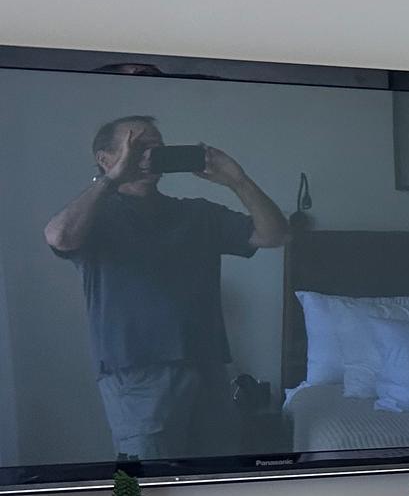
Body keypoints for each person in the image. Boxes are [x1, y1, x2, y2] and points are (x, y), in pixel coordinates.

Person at [43, 115, 287, 460]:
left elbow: (275, 235)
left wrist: (237, 180)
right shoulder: (96, 217)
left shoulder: (197, 214)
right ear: (105, 157)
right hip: (136, 374)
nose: (148, 155)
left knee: (217, 481)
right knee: (151, 488)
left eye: (156, 147)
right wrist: (111, 180)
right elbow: (59, 237)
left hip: (209, 367)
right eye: (137, 146)